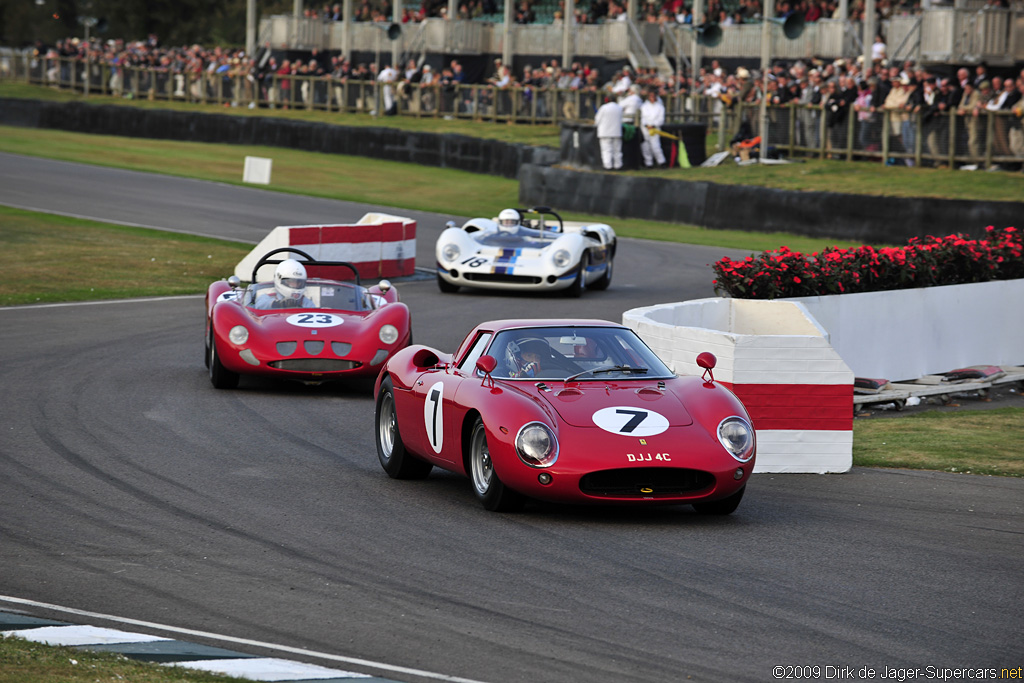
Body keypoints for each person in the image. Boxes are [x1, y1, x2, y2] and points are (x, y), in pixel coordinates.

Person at [639, 89, 667, 168]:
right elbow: (643, 118)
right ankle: (648, 163)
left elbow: (661, 119)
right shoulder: (644, 106)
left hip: (655, 129)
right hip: (645, 129)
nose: (652, 98)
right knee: (646, 147)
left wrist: (653, 125)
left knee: (656, 146)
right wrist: (646, 125)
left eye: (653, 96)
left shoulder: (660, 107)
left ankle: (661, 162)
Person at [594, 95, 623, 170]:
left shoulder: (604, 107)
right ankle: (618, 165)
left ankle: (608, 165)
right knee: (617, 150)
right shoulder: (619, 108)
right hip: (616, 131)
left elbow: (597, 119)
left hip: (605, 132)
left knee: (606, 150)